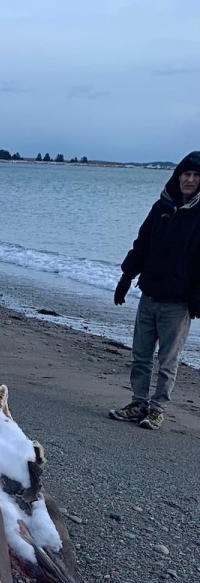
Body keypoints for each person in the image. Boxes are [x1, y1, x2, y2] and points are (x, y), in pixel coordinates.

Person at [110, 151, 200, 430]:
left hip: (177, 303)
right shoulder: (160, 207)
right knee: (141, 355)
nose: (190, 179)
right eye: (186, 174)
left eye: (196, 176)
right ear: (178, 176)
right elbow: (142, 244)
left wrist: (196, 299)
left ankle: (157, 408)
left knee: (167, 361)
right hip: (149, 295)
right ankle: (138, 403)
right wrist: (126, 278)